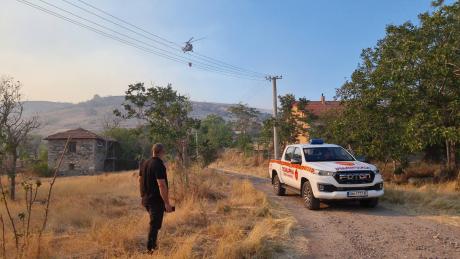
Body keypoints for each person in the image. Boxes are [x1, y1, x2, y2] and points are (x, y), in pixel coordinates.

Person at [139, 143, 174, 252]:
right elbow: (161, 185)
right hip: (155, 200)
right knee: (154, 225)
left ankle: (153, 246)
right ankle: (151, 250)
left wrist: (143, 194)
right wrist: (167, 203)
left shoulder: (144, 163)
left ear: (153, 151)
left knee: (155, 224)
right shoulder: (159, 165)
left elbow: (139, 180)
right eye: (164, 152)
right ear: (162, 152)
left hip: (146, 199)